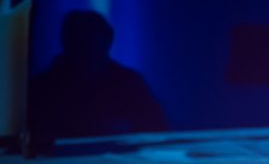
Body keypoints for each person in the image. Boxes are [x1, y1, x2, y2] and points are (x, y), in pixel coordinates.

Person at [29, 9, 168, 140]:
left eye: (90, 38)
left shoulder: (129, 82)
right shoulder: (44, 87)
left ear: (108, 40)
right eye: (80, 38)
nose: (86, 45)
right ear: (66, 41)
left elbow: (155, 126)